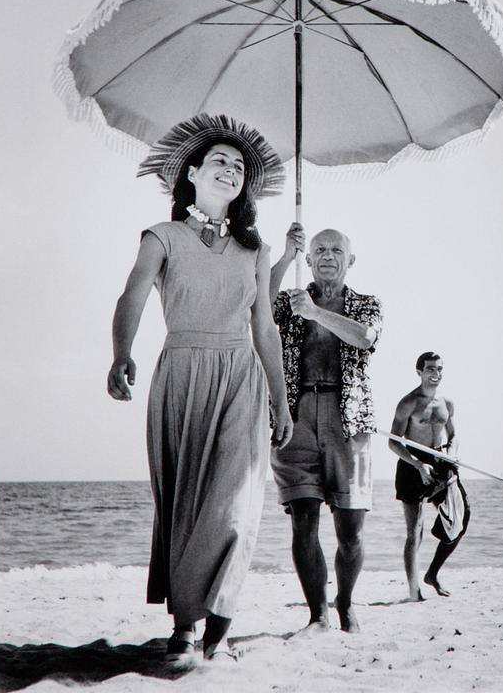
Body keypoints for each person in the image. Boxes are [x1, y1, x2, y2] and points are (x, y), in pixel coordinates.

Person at [107, 114, 293, 664]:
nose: (231, 170)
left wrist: (281, 399)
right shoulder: (161, 237)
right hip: (182, 373)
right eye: (220, 161)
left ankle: (220, 624)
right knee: (186, 504)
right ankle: (186, 623)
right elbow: (132, 297)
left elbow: (264, 328)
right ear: (191, 172)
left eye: (239, 166)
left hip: (241, 377)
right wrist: (121, 353)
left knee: (236, 507)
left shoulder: (255, 251)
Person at [269, 223, 383, 634]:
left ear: (350, 260)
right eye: (319, 250)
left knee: (350, 528)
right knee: (303, 519)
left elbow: (365, 339)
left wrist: (316, 313)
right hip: (295, 413)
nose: (328, 255)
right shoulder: (291, 301)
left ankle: (346, 603)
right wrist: (284, 258)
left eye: (336, 250)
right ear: (309, 259)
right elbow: (256, 308)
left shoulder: (367, 303)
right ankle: (317, 614)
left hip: (348, 417)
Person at [389, 352, 470, 602]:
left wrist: (452, 453)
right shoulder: (408, 403)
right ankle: (414, 591)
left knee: (460, 520)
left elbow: (453, 435)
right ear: (420, 372)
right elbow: (393, 443)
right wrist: (417, 464)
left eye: (439, 369)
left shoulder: (447, 403)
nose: (436, 374)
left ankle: (432, 574)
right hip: (412, 464)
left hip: (441, 461)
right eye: (430, 369)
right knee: (415, 531)